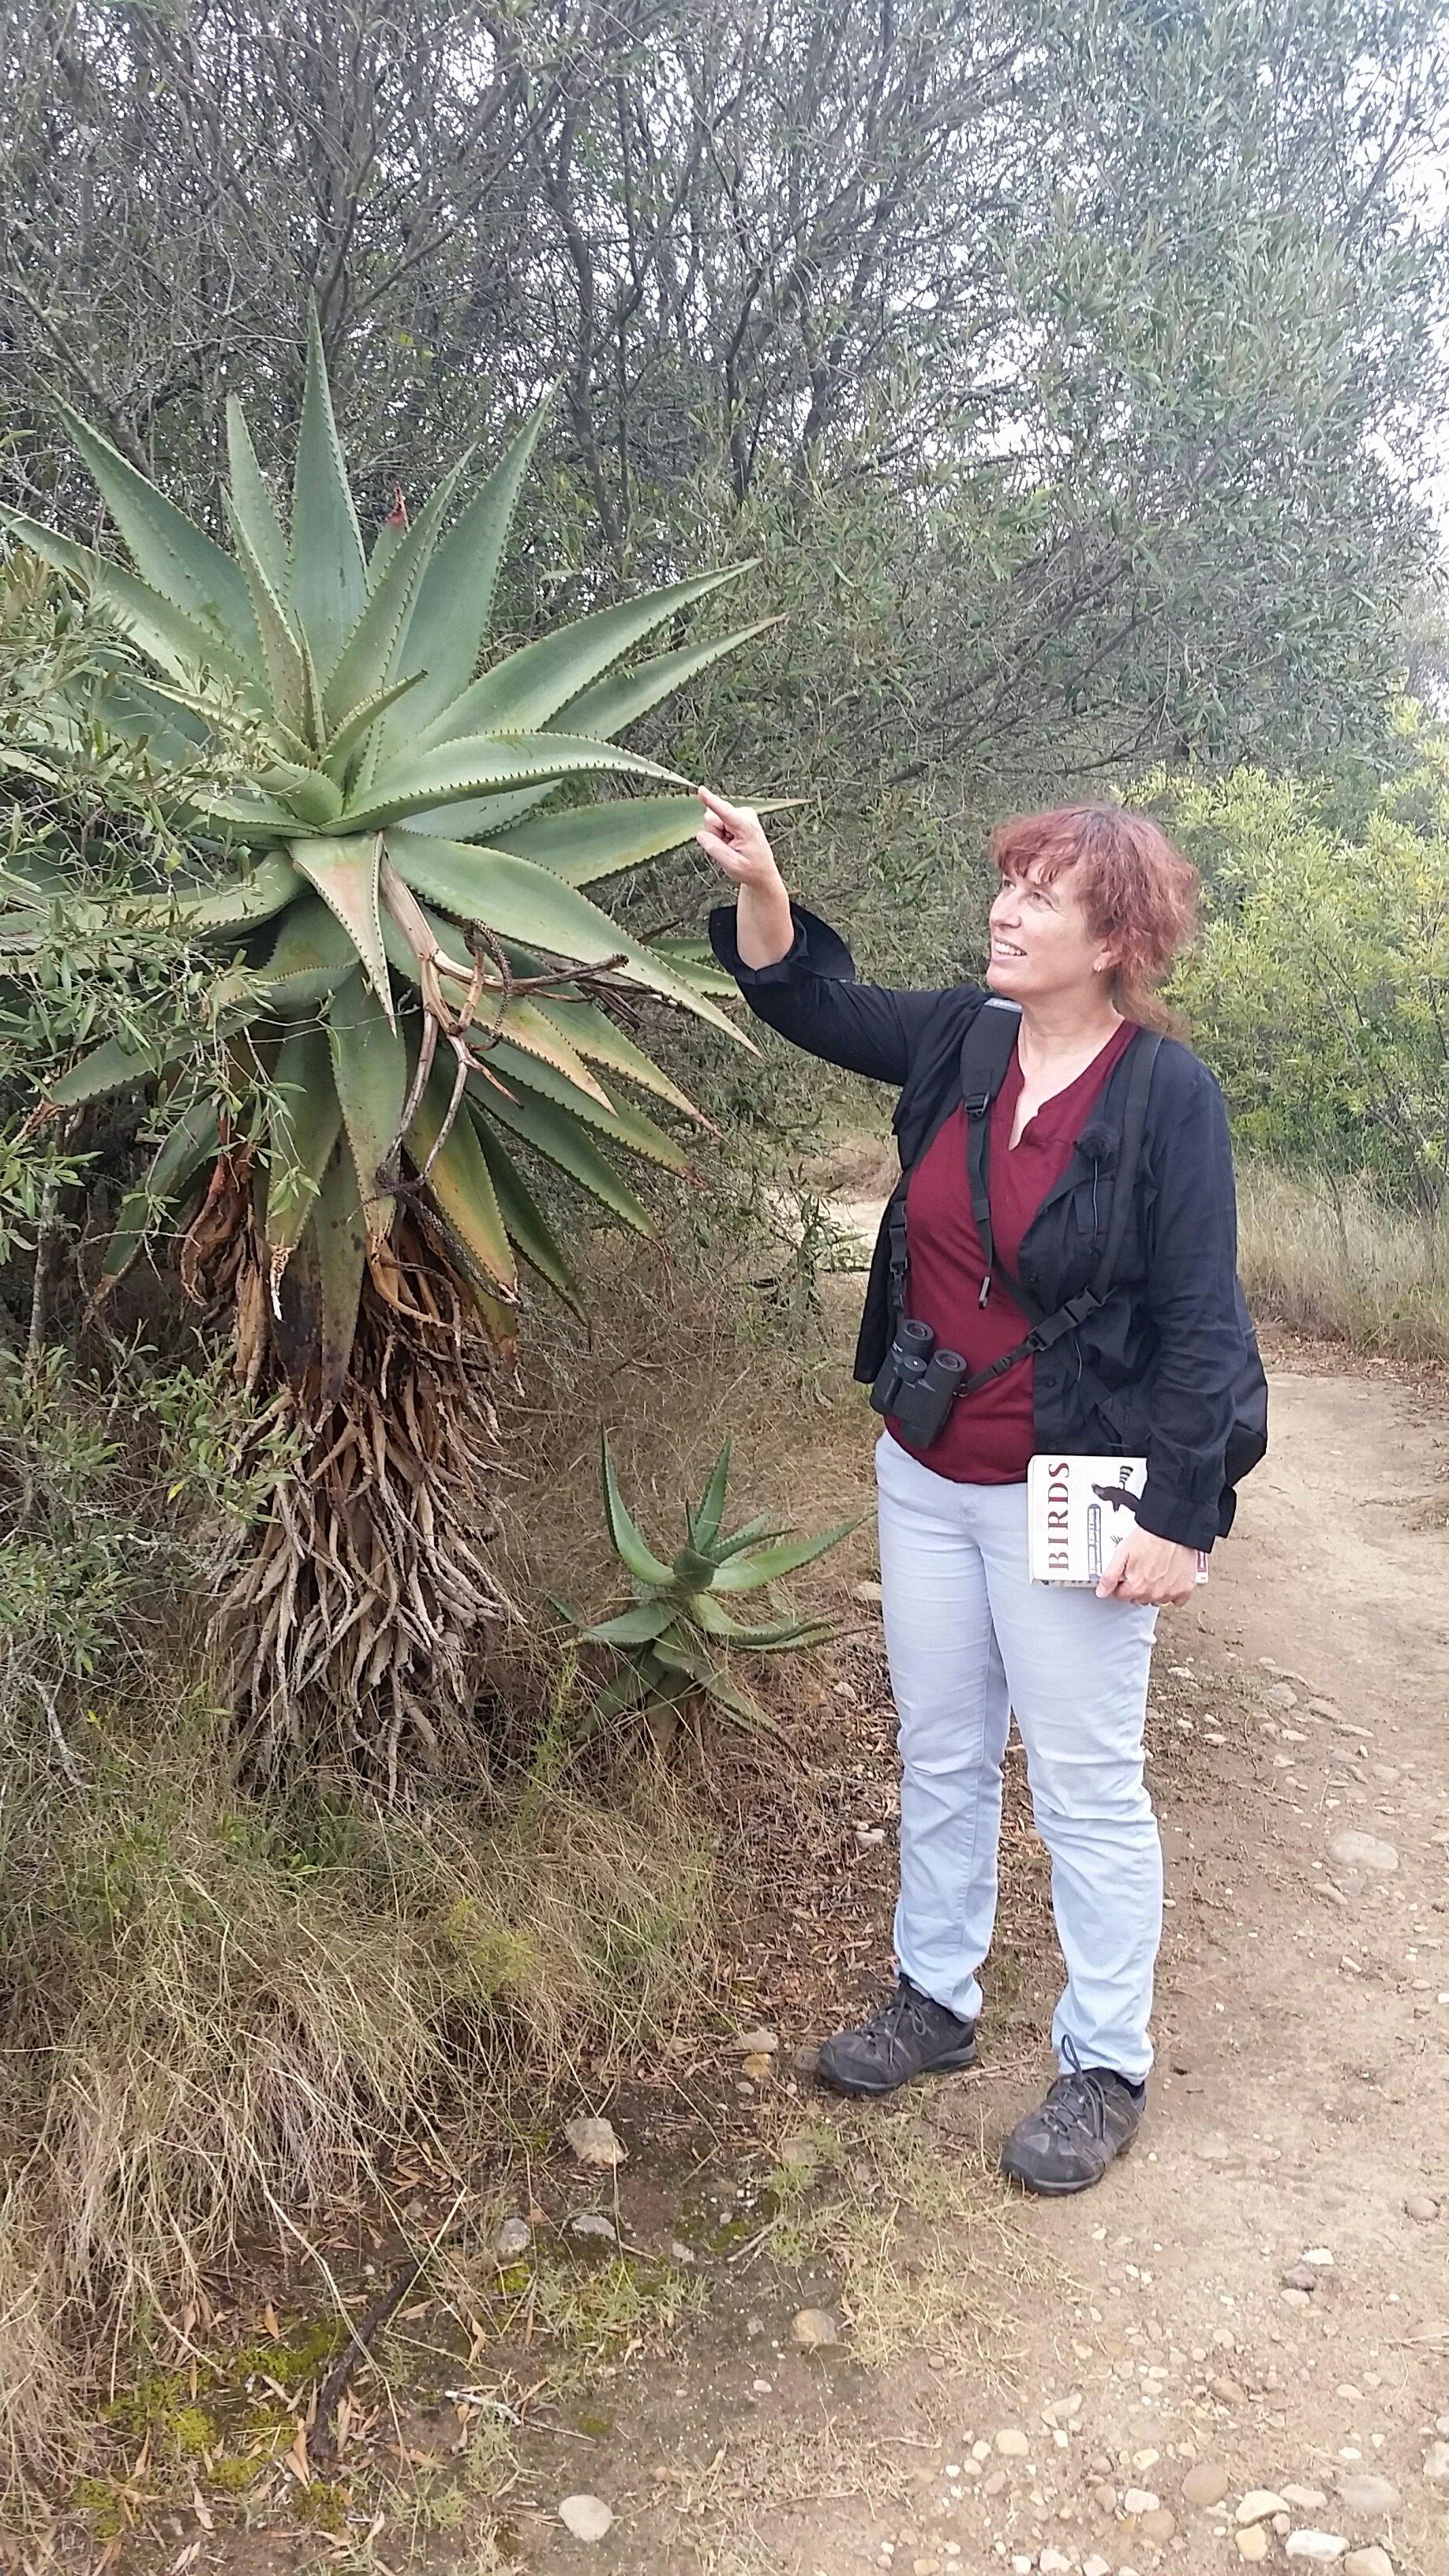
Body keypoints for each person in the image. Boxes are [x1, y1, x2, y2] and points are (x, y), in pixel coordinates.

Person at [698, 788, 1266, 2196]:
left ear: (1115, 939)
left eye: (1039, 896)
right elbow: (804, 999)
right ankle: (934, 2000)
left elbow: (1204, 1326)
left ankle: (1104, 2064)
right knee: (944, 1749)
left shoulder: (1166, 1095)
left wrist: (1179, 1516)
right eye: (1007, 883)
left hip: (1074, 1484)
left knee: (1084, 1786)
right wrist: (763, 883)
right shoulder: (964, 1035)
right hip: (925, 1468)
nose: (1005, 912)